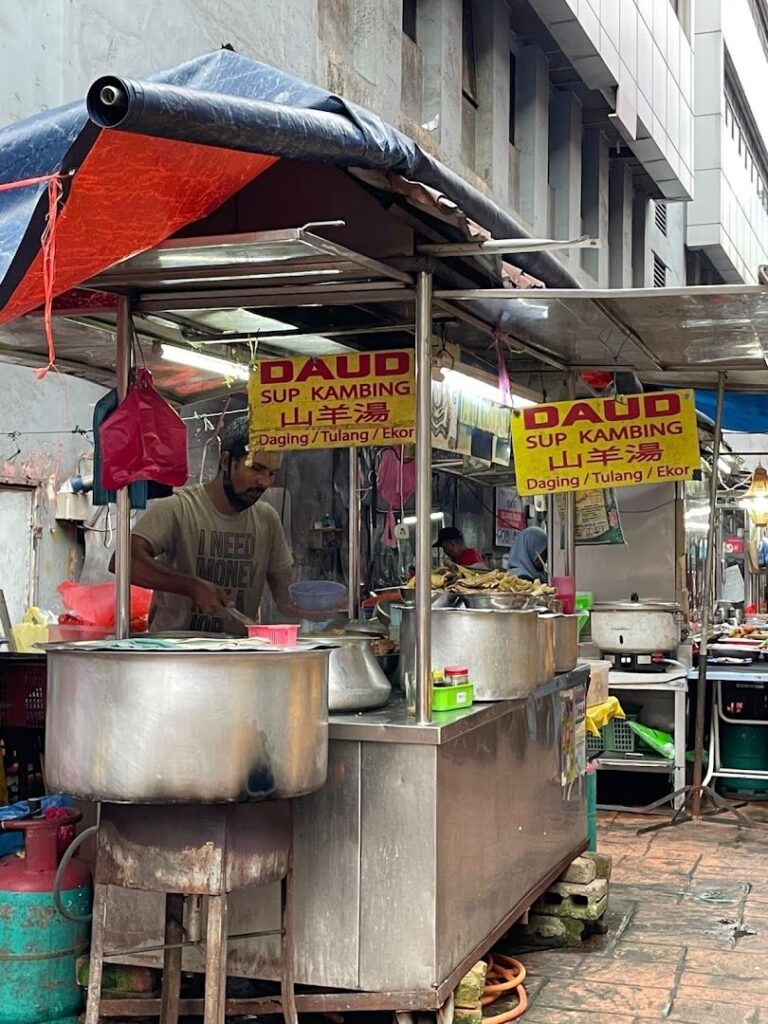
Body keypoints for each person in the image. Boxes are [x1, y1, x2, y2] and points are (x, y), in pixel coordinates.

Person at [116, 415, 300, 633]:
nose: (264, 483)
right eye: (256, 469)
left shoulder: (267, 520)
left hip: (236, 657)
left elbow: (285, 598)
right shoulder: (180, 508)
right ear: (225, 461)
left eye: (272, 474)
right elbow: (124, 561)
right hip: (174, 655)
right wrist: (191, 586)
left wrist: (328, 606)